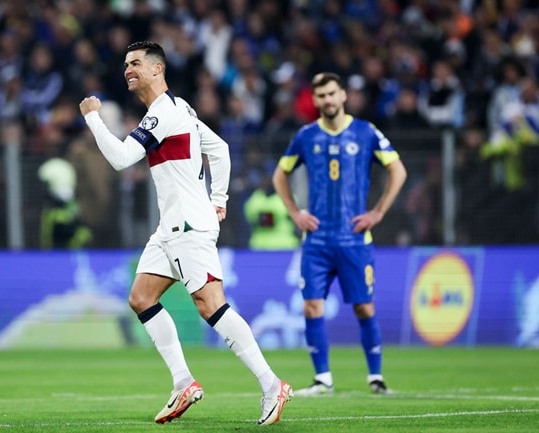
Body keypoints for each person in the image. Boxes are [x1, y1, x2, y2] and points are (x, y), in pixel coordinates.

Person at [79, 41, 292, 425]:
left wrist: (94, 117)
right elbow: (221, 149)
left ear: (158, 69)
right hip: (172, 226)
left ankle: (271, 385)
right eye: (126, 63)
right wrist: (220, 198)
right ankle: (183, 382)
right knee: (141, 297)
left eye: (137, 63)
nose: (129, 69)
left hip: (188, 226)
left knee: (210, 305)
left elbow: (121, 159)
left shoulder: (162, 113)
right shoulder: (182, 110)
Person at [272, 72, 407, 396]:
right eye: (321, 96)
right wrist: (294, 212)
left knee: (364, 308)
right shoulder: (306, 136)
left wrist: (378, 212)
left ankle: (375, 378)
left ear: (343, 95)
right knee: (311, 308)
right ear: (315, 100)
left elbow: (398, 170)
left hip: (354, 239)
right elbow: (280, 175)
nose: (328, 100)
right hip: (316, 240)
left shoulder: (365, 132)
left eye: (332, 94)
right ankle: (323, 379)